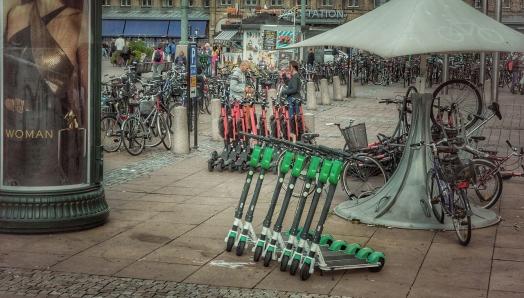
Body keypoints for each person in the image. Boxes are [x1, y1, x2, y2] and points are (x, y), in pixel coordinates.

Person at [3, 0, 88, 186]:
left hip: (51, 131)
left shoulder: (78, 20)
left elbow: (86, 92)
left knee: (44, 181)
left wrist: (82, 144)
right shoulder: (14, 14)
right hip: (12, 129)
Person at [282, 60, 302, 141]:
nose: (288, 68)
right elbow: (289, 84)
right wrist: (284, 76)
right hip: (293, 99)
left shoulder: (295, 76)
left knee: (292, 118)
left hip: (294, 100)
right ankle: (293, 134)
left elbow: (294, 89)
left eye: (289, 66)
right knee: (291, 118)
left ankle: (294, 135)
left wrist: (284, 92)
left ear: (293, 67)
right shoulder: (294, 76)